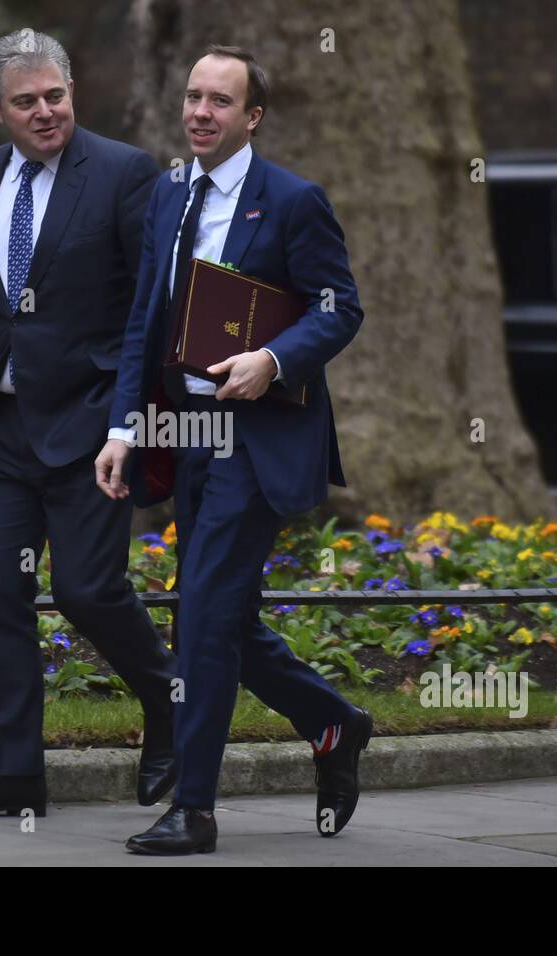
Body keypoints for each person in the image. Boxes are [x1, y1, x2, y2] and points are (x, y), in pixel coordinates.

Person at [95, 45, 369, 855]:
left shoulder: (292, 201)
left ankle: (196, 809)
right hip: (188, 435)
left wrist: (274, 358)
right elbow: (145, 319)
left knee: (203, 616)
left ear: (251, 117)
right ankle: (334, 723)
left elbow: (339, 306)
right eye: (193, 97)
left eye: (221, 101)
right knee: (228, 619)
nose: (200, 113)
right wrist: (122, 429)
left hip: (259, 439)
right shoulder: (170, 193)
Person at [0, 28, 179, 819]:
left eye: (57, 97)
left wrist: (130, 423)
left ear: (74, 93)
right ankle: (13, 774)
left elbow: (152, 310)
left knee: (86, 588)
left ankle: (171, 704)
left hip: (90, 426)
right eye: (28, 101)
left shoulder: (123, 173)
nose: (46, 113)